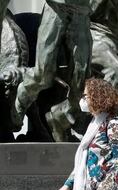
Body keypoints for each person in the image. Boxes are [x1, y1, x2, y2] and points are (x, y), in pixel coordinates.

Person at [11, 0, 92, 132]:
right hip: (56, 9)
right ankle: (20, 100)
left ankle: (62, 117)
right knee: (43, 74)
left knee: (81, 77)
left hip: (81, 14)